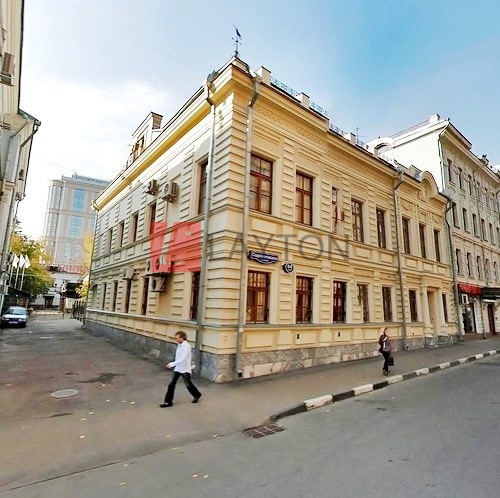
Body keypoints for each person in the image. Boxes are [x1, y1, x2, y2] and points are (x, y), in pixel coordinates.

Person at [160, 330, 202, 407]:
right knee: (171, 384)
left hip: (185, 368)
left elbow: (183, 358)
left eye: (177, 338)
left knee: (188, 384)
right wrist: (175, 365)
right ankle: (168, 402)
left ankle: (197, 395)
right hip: (178, 368)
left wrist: (172, 364)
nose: (176, 339)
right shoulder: (179, 345)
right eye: (176, 338)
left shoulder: (186, 346)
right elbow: (178, 357)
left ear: (182, 338)